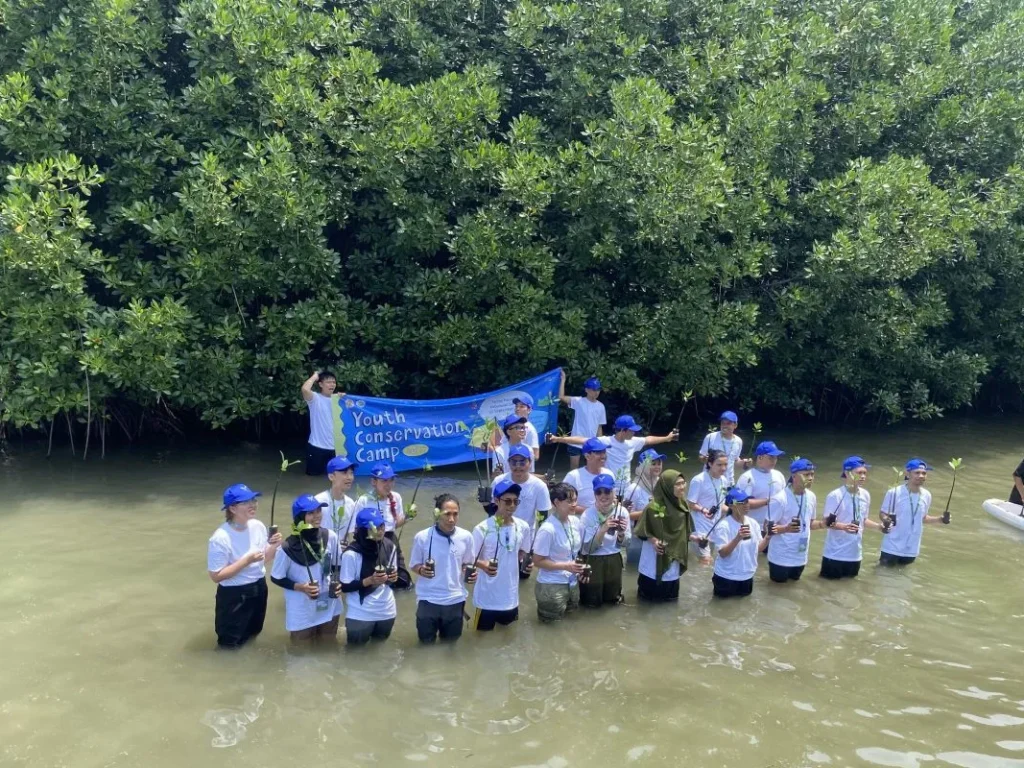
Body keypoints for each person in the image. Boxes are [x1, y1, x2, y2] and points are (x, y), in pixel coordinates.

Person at [207, 483, 282, 649]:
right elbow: (216, 576)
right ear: (232, 508)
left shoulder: (258, 526)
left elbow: (263, 559)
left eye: (253, 500)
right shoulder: (220, 537)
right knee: (229, 643)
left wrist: (274, 546)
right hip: (234, 594)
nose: (252, 504)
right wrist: (246, 561)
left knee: (254, 633)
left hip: (259, 587)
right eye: (246, 502)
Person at [270, 494, 343, 642]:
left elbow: (337, 565)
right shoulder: (286, 548)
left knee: (328, 645)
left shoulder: (330, 537)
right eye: (310, 513)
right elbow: (276, 577)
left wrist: (338, 583)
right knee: (301, 649)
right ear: (299, 518)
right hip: (301, 608)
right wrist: (300, 587)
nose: (317, 516)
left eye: (318, 511)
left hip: (329, 602)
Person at [408, 494, 477, 643]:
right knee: (425, 644)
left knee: (450, 645)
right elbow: (414, 565)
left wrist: (470, 573)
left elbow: (467, 563)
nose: (451, 519)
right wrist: (421, 570)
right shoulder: (422, 537)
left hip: (455, 599)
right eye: (447, 514)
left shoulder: (466, 537)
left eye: (455, 514)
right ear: (437, 513)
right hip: (428, 599)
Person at [471, 480, 533, 631]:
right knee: (481, 638)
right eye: (507, 501)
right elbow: (468, 558)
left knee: (508, 636)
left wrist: (527, 563)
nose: (512, 506)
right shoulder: (482, 528)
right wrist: (483, 565)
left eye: (515, 501)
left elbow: (522, 552)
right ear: (497, 501)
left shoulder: (523, 527)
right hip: (486, 599)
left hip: (510, 597)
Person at [549, 415, 678, 481]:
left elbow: (648, 440)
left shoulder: (632, 442)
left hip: (626, 485)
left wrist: (667, 438)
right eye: (631, 430)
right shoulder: (605, 441)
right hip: (608, 484)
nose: (634, 432)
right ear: (622, 430)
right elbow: (582, 440)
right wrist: (558, 439)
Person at [820, 456, 886, 579]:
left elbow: (863, 520)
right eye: (859, 473)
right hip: (835, 555)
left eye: (865, 473)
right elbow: (827, 522)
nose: (863, 476)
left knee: (850, 586)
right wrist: (844, 527)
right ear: (847, 473)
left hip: (855, 555)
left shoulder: (865, 495)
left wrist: (879, 527)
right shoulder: (835, 495)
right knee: (827, 587)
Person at [339, 508, 398, 645]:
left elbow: (391, 580)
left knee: (379, 649)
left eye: (381, 526)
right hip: (360, 613)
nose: (380, 531)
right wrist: (369, 581)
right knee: (355, 652)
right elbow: (345, 587)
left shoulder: (390, 546)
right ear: (363, 531)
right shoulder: (351, 554)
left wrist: (393, 578)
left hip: (387, 611)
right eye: (374, 528)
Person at [491, 444, 551, 578]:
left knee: (522, 577)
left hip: (525, 541)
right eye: (514, 462)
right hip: (500, 536)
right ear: (508, 463)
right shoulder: (498, 481)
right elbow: (492, 511)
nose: (518, 466)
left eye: (522, 462)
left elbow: (543, 520)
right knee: (497, 575)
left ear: (530, 463)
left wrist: (535, 549)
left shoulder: (539, 486)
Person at [878, 458, 950, 566]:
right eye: (917, 473)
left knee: (903, 575)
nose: (921, 476)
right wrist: (886, 520)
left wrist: (940, 519)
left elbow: (923, 518)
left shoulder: (927, 495)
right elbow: (882, 513)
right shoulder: (894, 492)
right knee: (883, 573)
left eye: (924, 473)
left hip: (912, 548)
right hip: (892, 545)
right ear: (907, 473)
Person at [633, 469, 692, 602]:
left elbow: (684, 533)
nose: (682, 487)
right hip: (651, 567)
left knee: (671, 604)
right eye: (677, 484)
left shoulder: (683, 505)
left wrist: (696, 538)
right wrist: (654, 541)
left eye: (683, 483)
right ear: (667, 487)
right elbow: (641, 532)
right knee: (646, 604)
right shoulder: (652, 508)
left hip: (673, 565)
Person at [533, 482, 588, 621]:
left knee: (571, 622)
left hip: (572, 583)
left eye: (575, 500)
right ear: (556, 502)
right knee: (550, 627)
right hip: (551, 586)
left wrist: (582, 569)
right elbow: (537, 561)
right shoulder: (548, 529)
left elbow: (578, 552)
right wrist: (565, 566)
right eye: (569, 501)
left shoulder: (575, 522)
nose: (574, 504)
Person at [354, 463, 413, 589]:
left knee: (403, 580)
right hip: (370, 542)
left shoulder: (396, 497)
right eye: (384, 480)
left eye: (391, 480)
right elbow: (356, 528)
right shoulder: (363, 500)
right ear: (373, 482)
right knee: (377, 580)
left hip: (391, 539)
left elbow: (395, 524)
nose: (389, 484)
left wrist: (408, 517)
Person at [767, 458, 824, 583]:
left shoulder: (811, 496)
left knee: (794, 588)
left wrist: (823, 524)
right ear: (794, 476)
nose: (810, 478)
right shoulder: (780, 498)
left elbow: (810, 524)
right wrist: (786, 528)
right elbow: (767, 528)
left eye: (812, 474)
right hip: (781, 558)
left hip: (800, 556)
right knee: (777, 590)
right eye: (806, 475)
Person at [579, 474, 631, 607]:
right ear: (594, 494)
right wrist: (603, 530)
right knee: (591, 602)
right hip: (593, 561)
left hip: (614, 559)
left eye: (607, 491)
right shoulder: (587, 515)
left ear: (614, 492)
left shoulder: (622, 512)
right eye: (599, 492)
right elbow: (587, 549)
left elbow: (627, 543)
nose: (603, 496)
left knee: (613, 601)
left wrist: (621, 534)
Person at [709, 488, 770, 597]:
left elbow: (757, 549)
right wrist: (737, 538)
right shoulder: (724, 526)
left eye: (747, 501)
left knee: (744, 606)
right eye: (742, 502)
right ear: (731, 505)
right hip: (726, 577)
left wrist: (768, 537)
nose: (746, 505)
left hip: (747, 576)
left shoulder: (753, 523)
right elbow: (722, 553)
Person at [557, 370, 607, 470]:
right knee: (574, 468)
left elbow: (599, 427)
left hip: (591, 442)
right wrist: (563, 380)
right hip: (575, 440)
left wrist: (600, 443)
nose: (596, 392)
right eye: (593, 390)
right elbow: (561, 397)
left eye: (598, 390)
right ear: (587, 390)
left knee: (591, 468)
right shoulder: (579, 401)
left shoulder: (601, 406)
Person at [686, 450, 729, 565]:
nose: (723, 468)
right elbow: (690, 503)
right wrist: (703, 510)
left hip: (715, 526)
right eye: (719, 465)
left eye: (725, 464)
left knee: (710, 560)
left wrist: (734, 511)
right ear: (710, 463)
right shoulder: (699, 480)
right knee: (705, 561)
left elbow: (721, 505)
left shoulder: (724, 481)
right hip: (700, 526)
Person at [734, 441, 787, 530]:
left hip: (774, 527)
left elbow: (785, 499)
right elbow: (739, 503)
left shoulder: (779, 475)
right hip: (752, 527)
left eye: (775, 458)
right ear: (760, 457)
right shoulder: (748, 477)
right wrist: (769, 501)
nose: (774, 461)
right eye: (771, 458)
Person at [623, 449, 664, 565]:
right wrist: (649, 511)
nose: (657, 467)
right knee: (635, 569)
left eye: (659, 463)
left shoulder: (661, 484)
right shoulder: (634, 488)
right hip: (637, 537)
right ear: (643, 466)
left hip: (657, 536)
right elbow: (626, 515)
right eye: (653, 464)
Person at [301, 370, 344, 476]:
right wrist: (315, 376)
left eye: (334, 382)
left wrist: (345, 398)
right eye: (328, 382)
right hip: (316, 447)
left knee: (335, 478)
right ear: (320, 384)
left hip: (336, 449)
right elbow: (305, 389)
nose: (332, 385)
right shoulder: (315, 398)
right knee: (312, 478)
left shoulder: (339, 400)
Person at [559, 437, 615, 513]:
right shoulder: (573, 476)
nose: (603, 456)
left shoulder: (609, 473)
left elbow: (614, 498)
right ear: (587, 456)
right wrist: (593, 512)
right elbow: (562, 503)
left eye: (604, 452)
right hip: (581, 519)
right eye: (598, 453)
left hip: (608, 518)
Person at [315, 456, 358, 544]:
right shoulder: (318, 501)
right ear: (331, 476)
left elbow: (351, 535)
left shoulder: (351, 504)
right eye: (344, 473)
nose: (350, 477)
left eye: (351, 473)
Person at [698, 411, 745, 487]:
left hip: (729, 482)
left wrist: (744, 463)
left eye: (728, 423)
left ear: (735, 425)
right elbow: (701, 457)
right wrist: (705, 459)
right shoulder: (710, 437)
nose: (724, 426)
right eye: (723, 423)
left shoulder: (738, 441)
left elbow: (735, 461)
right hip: (709, 481)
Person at [493, 395, 541, 459]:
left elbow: (536, 456)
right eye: (516, 406)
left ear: (529, 410)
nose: (517, 409)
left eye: (521, 406)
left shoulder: (531, 430)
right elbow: (502, 445)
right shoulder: (510, 426)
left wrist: (518, 459)